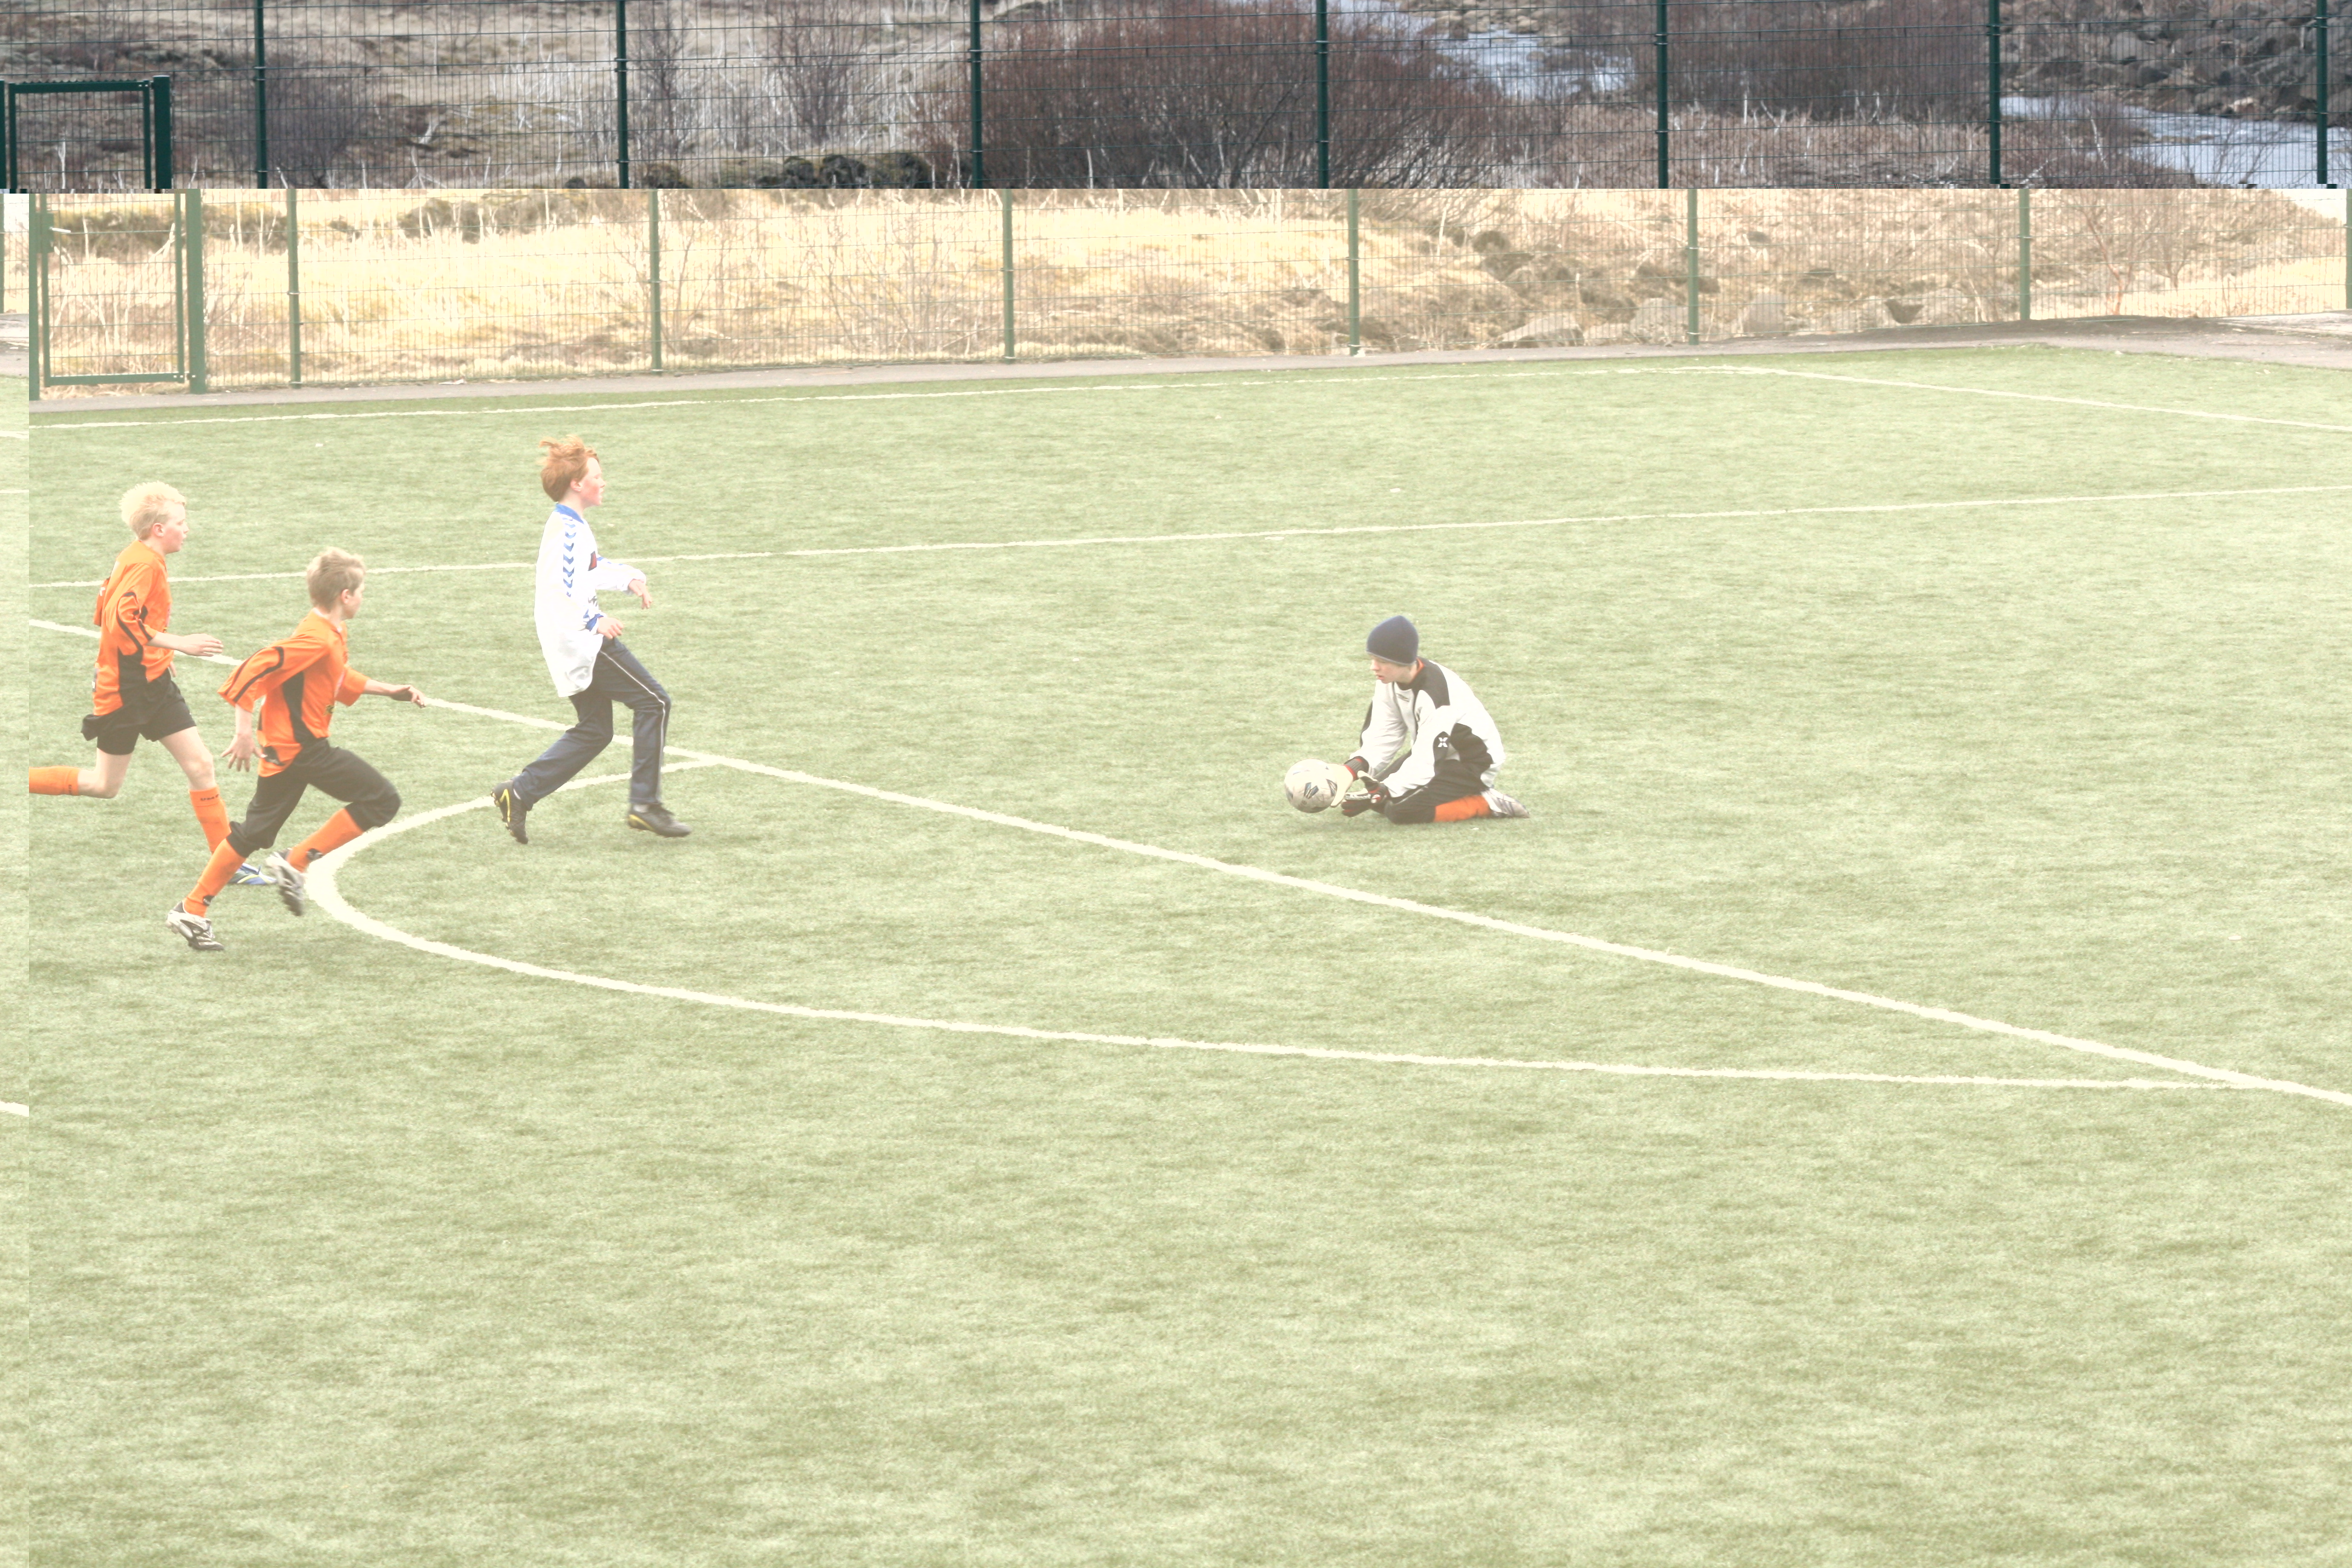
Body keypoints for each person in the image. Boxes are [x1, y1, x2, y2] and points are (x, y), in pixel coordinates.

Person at [166, 550, 426, 953]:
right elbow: (253, 669)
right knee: (382, 800)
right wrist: (243, 732)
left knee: (255, 832)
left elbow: (334, 676)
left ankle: (192, 909)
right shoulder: (317, 638)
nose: (363, 597)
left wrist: (387, 690)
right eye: (361, 591)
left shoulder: (327, 632)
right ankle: (296, 862)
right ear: (345, 596)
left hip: (285, 750)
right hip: (303, 750)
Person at [30, 482, 252, 867]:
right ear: (159, 529)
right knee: (104, 785)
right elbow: (119, 622)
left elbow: (107, 612)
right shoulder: (143, 564)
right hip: (125, 690)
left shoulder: (139, 557)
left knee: (200, 765)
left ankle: (226, 863)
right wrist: (178, 643)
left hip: (154, 682)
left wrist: (157, 653)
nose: (187, 528)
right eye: (181, 522)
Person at [491, 435, 688, 843]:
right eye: (597, 476)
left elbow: (589, 570)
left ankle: (520, 792)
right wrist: (593, 620)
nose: (604, 482)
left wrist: (629, 578)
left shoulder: (572, 526)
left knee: (596, 730)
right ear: (577, 484)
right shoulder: (567, 531)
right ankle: (645, 805)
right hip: (582, 642)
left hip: (570, 640)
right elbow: (559, 587)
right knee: (654, 702)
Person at [1338, 615, 1529, 824]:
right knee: (1379, 801)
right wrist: (1350, 770)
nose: (1374, 667)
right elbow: (1384, 736)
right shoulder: (1388, 680)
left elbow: (1427, 761)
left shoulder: (1437, 696)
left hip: (1472, 763)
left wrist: (1385, 790)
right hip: (1438, 751)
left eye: (1382, 662)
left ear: (1403, 662)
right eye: (1372, 659)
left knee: (1401, 812)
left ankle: (1486, 802)